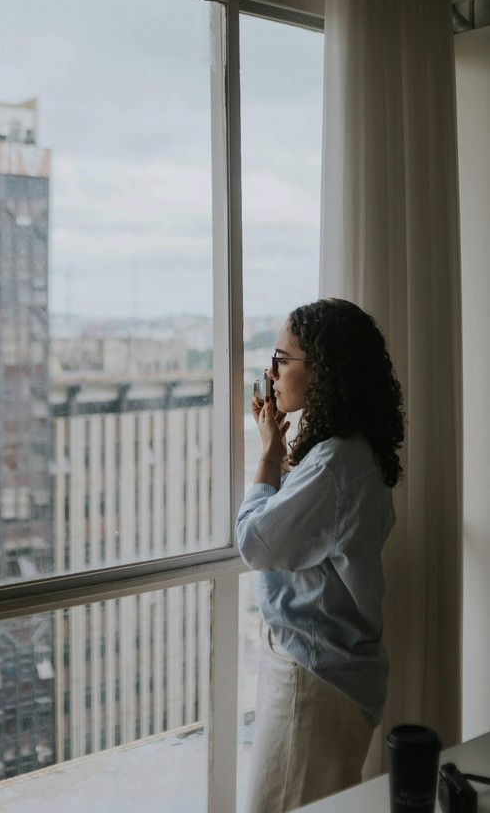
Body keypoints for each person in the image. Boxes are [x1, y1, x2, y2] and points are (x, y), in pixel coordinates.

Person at [236, 298, 404, 813]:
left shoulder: (334, 462)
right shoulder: (352, 449)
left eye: (282, 359)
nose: (272, 372)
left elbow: (256, 544)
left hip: (313, 680)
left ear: (322, 370)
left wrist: (266, 457)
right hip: (326, 671)